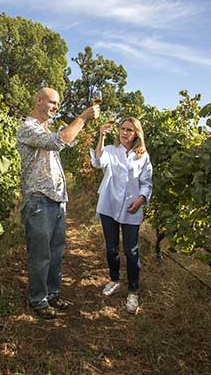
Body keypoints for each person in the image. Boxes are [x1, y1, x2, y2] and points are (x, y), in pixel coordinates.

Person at [17, 87, 99, 319]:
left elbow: (66, 139)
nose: (55, 107)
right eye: (52, 102)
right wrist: (82, 117)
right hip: (40, 201)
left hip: (57, 200)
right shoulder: (28, 128)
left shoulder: (45, 129)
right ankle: (38, 300)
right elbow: (60, 140)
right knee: (40, 255)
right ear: (39, 100)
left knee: (55, 253)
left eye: (57, 104)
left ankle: (53, 294)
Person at [91, 117, 152, 314]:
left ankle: (133, 291)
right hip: (109, 205)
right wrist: (101, 135)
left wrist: (141, 200)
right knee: (111, 248)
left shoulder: (142, 156)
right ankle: (115, 280)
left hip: (131, 208)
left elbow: (147, 183)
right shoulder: (110, 150)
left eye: (129, 130)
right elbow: (98, 162)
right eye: (122, 129)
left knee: (131, 250)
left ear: (137, 134)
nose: (124, 133)